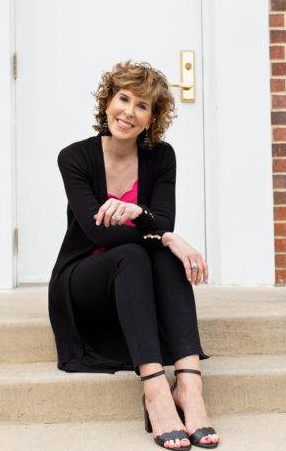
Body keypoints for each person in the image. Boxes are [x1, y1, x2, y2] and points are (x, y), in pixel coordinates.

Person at [48, 60, 220, 449]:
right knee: (140, 251)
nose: (128, 111)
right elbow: (96, 231)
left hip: (137, 277)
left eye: (142, 106)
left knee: (159, 254)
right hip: (83, 279)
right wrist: (164, 235)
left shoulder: (162, 157)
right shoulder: (74, 158)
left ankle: (190, 388)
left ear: (152, 118)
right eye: (123, 98)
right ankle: (156, 390)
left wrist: (144, 218)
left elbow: (162, 219)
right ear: (107, 101)